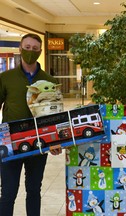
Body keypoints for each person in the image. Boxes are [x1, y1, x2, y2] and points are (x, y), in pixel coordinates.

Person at [0, 33, 62, 216]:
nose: (30, 52)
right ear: (20, 48)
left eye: (35, 49)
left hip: (38, 143)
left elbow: (54, 116)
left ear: (40, 51)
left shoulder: (49, 81)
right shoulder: (6, 78)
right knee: (8, 192)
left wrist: (54, 141)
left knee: (34, 190)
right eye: (27, 47)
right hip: (11, 143)